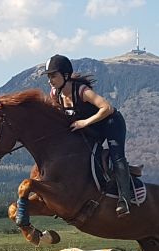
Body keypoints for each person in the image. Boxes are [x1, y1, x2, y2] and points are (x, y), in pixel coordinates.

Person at [42, 54, 135, 217]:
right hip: (92, 128)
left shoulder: (82, 91)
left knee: (116, 157)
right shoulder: (54, 94)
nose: (50, 80)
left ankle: (124, 199)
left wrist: (84, 122)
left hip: (111, 123)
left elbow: (107, 108)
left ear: (65, 75)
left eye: (53, 76)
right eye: (48, 76)